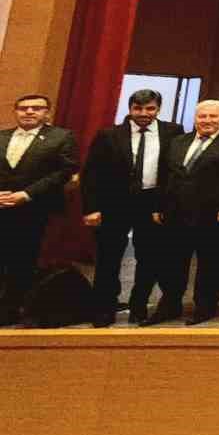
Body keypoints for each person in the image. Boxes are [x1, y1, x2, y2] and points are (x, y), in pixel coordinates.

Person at [80, 88, 182, 327]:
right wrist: (91, 208)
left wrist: (166, 206)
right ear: (130, 108)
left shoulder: (173, 132)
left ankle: (139, 306)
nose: (144, 113)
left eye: (150, 108)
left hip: (152, 204)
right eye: (138, 108)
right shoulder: (108, 135)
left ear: (158, 109)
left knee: (149, 258)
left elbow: (174, 173)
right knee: (108, 258)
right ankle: (104, 307)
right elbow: (91, 174)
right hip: (114, 204)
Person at [154, 99, 219, 325]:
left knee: (211, 264)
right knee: (172, 261)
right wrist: (159, 206)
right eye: (202, 116)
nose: (207, 120)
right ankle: (170, 304)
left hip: (214, 215)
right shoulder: (178, 142)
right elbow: (165, 176)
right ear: (195, 118)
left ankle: (205, 306)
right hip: (177, 213)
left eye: (213, 116)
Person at [0, 94, 76, 326]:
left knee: (22, 260)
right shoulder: (2, 136)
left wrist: (26, 194)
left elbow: (65, 171)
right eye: (23, 108)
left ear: (47, 113)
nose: (29, 112)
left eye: (36, 108)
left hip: (35, 208)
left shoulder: (61, 137)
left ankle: (11, 309)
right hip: (1, 205)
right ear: (16, 112)